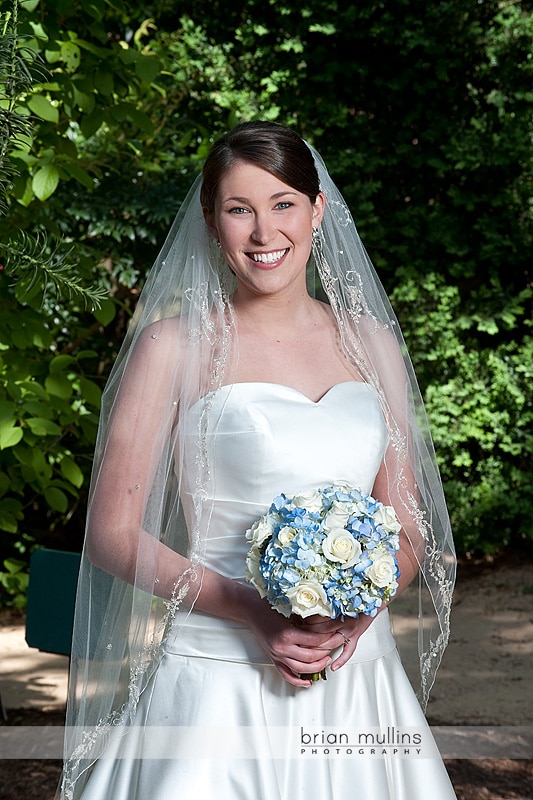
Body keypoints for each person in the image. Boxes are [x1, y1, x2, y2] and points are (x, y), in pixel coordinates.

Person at [59, 121, 457, 799]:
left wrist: (357, 609)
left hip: (354, 677)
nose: (263, 233)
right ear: (213, 224)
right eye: (239, 210)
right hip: (216, 678)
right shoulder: (172, 347)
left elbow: (409, 522)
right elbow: (111, 534)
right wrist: (252, 610)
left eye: (282, 205)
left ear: (317, 211)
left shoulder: (370, 344)